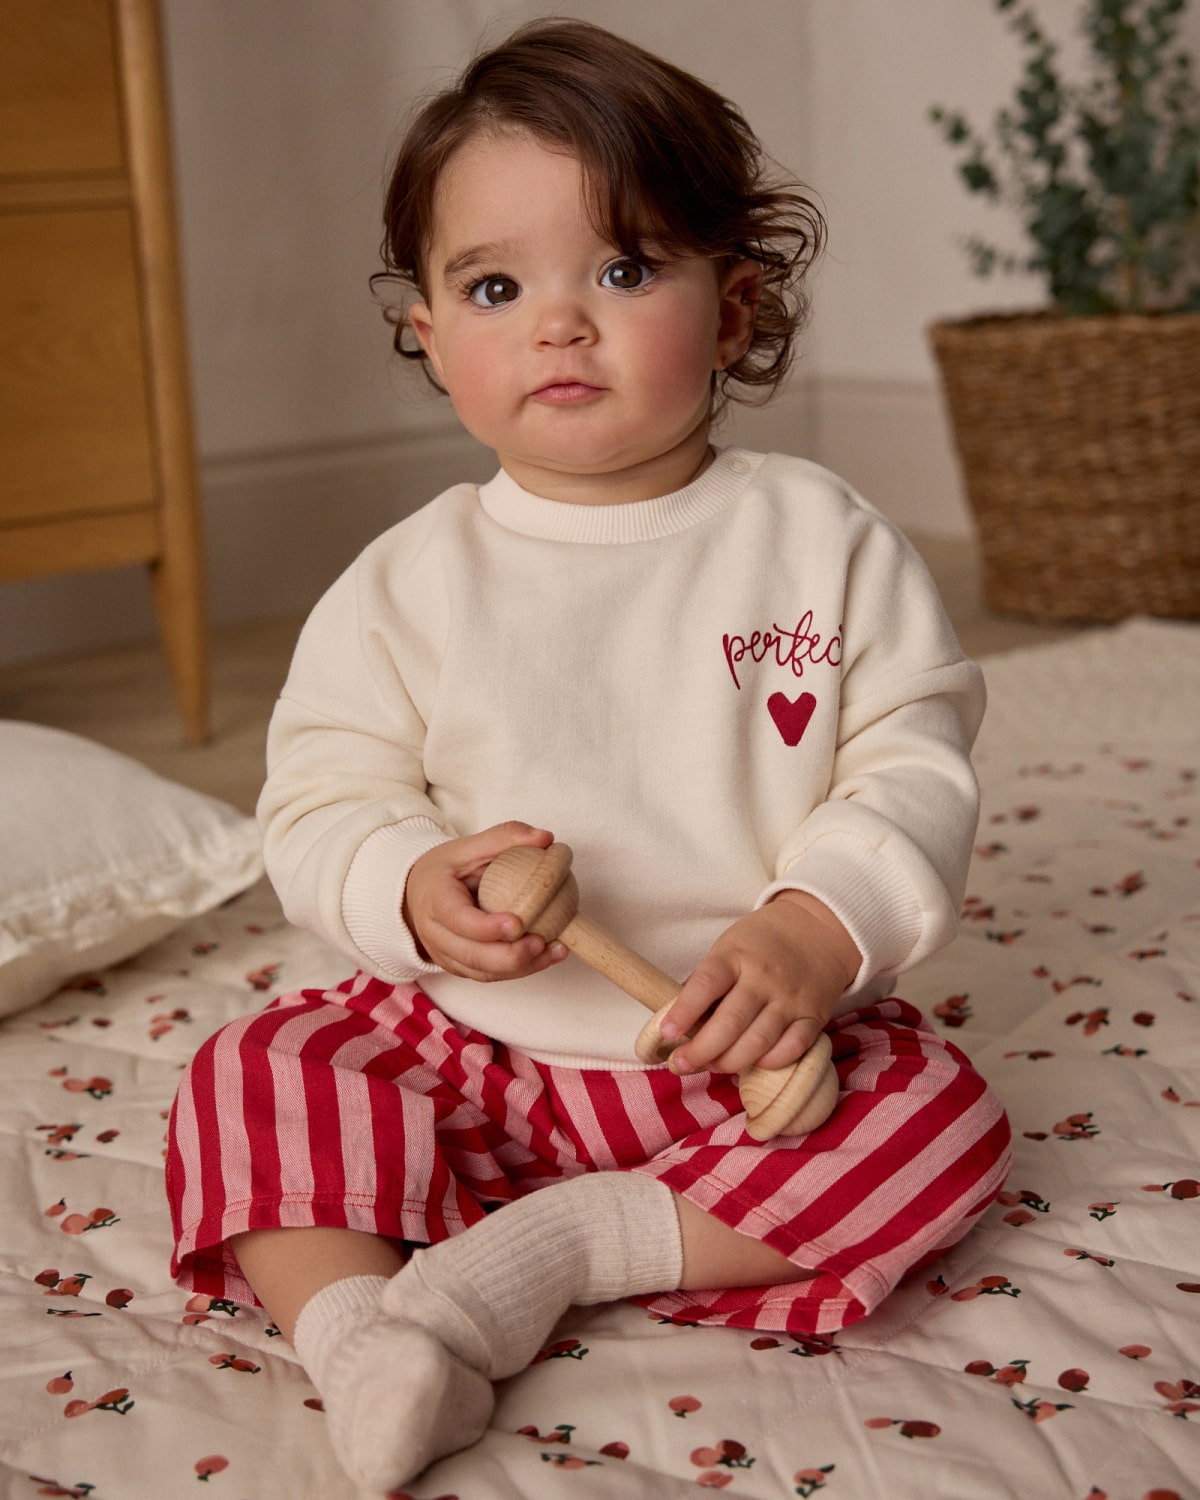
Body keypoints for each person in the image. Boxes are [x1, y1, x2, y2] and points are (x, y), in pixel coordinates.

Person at [167, 18, 1011, 1493]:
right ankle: (362, 1339)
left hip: (740, 1067)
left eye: (623, 271)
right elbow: (319, 795)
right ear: (429, 334)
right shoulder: (407, 582)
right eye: (496, 287)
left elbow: (910, 762)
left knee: (945, 1127)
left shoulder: (819, 542)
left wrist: (818, 928)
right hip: (474, 1056)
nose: (560, 324)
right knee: (256, 1068)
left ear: (734, 310)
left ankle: (558, 1253)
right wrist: (408, 884)